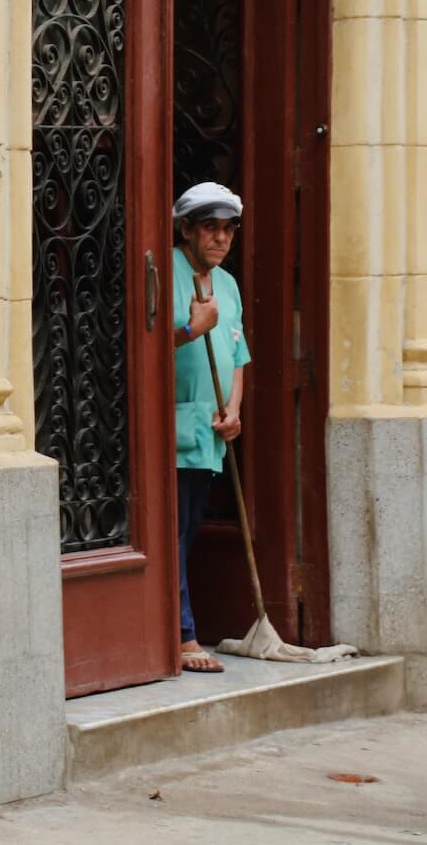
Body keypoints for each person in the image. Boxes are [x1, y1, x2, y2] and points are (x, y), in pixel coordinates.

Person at [173, 181, 251, 672]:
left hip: (210, 436)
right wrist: (190, 331)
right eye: (210, 228)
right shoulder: (165, 273)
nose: (220, 239)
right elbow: (137, 353)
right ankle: (182, 634)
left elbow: (239, 356)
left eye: (228, 230)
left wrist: (234, 410)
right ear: (186, 229)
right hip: (172, 432)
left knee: (188, 531)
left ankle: (182, 628)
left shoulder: (229, 284)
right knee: (171, 535)